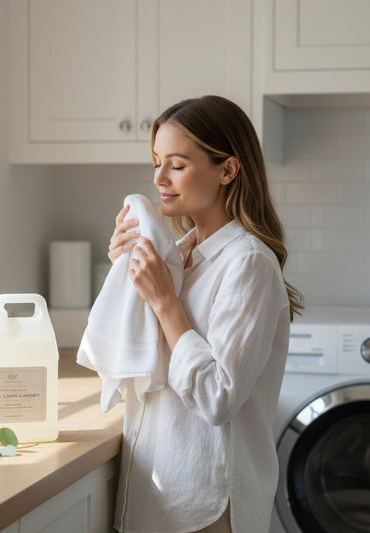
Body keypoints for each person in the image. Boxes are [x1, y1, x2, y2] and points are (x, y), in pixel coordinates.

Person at [107, 95, 303, 533]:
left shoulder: (248, 262)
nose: (159, 178)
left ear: (228, 170)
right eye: (156, 161)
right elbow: (138, 363)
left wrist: (164, 303)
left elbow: (218, 398)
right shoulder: (176, 257)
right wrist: (125, 277)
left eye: (176, 165)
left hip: (209, 504)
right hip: (158, 491)